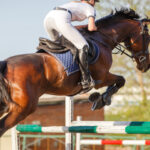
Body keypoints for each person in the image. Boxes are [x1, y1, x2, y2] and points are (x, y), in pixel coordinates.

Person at [44, 0, 99, 90]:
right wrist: (96, 27)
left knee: (58, 45)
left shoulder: (74, 3)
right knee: (84, 46)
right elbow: (91, 27)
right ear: (92, 1)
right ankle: (86, 80)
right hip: (61, 18)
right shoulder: (90, 8)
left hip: (49, 18)